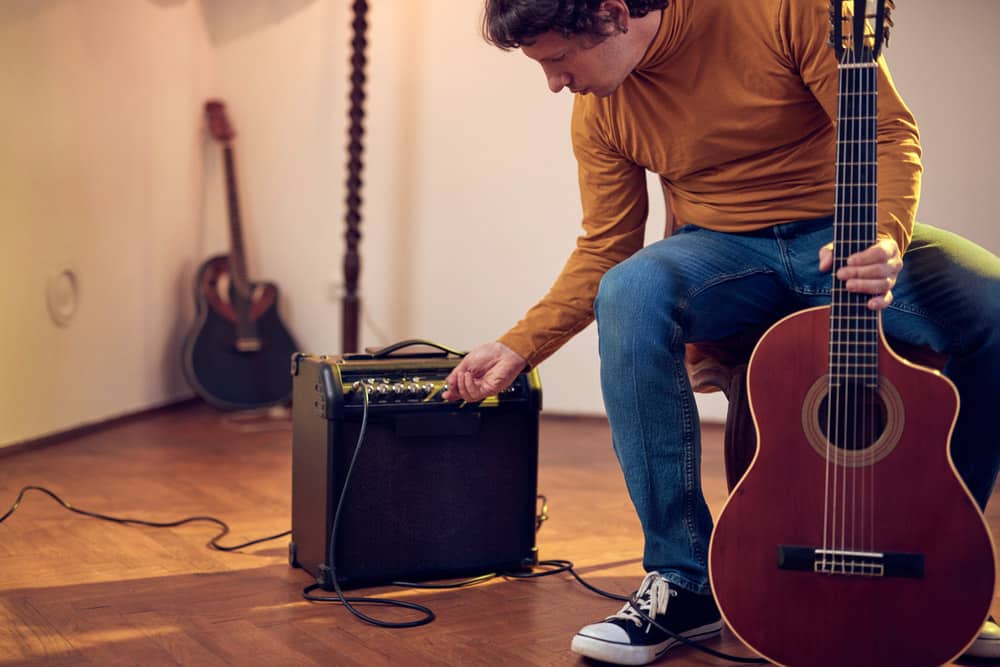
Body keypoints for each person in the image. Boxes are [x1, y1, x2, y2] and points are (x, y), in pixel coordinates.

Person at [442, 0, 1000, 664]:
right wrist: (518, 345)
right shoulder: (602, 110)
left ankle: (939, 559)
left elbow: (886, 130)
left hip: (840, 232)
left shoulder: (778, 11)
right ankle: (684, 580)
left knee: (993, 307)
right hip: (725, 256)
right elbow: (606, 250)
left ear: (614, 13)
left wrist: (883, 236)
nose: (555, 83)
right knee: (630, 290)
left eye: (559, 59)